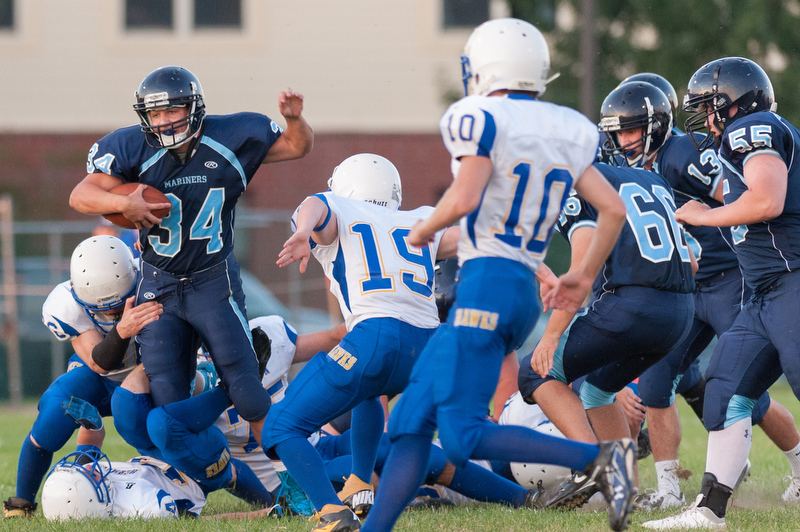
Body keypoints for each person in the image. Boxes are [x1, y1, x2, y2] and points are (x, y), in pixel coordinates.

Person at [362, 19, 635, 532]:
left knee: (461, 435)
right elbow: (613, 210)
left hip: (486, 282)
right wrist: (579, 276)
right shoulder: (565, 126)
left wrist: (424, 229)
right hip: (520, 287)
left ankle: (597, 460)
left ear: (484, 68)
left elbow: (464, 198)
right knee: (408, 422)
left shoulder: (479, 117)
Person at [68, 65, 313, 450]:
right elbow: (80, 195)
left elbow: (298, 147)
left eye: (172, 111)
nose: (163, 122)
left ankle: (291, 479)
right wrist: (121, 203)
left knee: (246, 387)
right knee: (167, 395)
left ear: (194, 108)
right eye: (155, 114)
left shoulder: (231, 135)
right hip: (159, 284)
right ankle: (198, 474)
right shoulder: (131, 147)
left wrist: (294, 121)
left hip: (213, 279)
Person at [599, 78, 800, 511]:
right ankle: (672, 489)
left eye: (630, 130)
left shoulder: (681, 154)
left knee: (753, 392)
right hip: (688, 288)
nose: (622, 141)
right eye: (617, 132)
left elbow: (738, 194)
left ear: (653, 125)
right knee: (657, 381)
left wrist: (704, 219)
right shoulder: (634, 171)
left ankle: (799, 466)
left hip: (731, 279)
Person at [263, 153, 459, 531]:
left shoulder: (337, 206)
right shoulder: (418, 215)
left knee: (281, 428)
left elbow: (315, 204)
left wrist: (303, 231)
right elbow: (475, 240)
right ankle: (358, 483)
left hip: (377, 337)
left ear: (345, 187)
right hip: (428, 348)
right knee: (372, 391)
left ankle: (331, 513)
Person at [517, 159, 696, 486]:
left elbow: (582, 271)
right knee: (599, 390)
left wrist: (550, 336)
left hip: (634, 304)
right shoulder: (650, 179)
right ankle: (624, 486)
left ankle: (591, 467)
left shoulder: (576, 181)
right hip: (681, 312)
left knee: (534, 372)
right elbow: (692, 263)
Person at [2, 235, 162, 519]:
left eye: (118, 304)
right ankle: (21, 502)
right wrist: (122, 330)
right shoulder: (64, 303)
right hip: (100, 375)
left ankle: (181, 489)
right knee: (55, 409)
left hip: (152, 374)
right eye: (103, 309)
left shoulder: (154, 277)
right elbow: (99, 363)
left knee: (156, 430)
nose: (112, 313)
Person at [40, 448, 211, 520]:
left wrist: (94, 426)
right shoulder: (141, 505)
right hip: (191, 471)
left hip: (155, 458)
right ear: (89, 500)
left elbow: (89, 449)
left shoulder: (93, 488)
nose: (90, 467)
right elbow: (187, 517)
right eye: (90, 475)